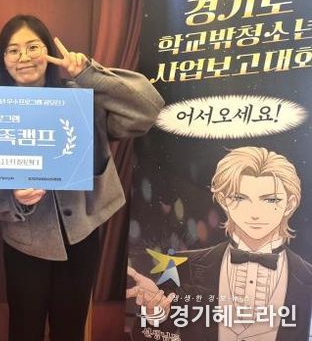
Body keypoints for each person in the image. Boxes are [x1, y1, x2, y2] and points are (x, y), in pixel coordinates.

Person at [0, 14, 164, 341]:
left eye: (33, 47)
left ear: (48, 52)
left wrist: (88, 72)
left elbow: (148, 109)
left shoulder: (81, 96)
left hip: (82, 233)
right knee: (24, 330)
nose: (24, 57)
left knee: (70, 329)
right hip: (24, 242)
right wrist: (14, 199)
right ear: (2, 59)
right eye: (13, 50)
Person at [127, 146, 312, 341]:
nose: (255, 213)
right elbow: (144, 336)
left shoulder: (307, 277)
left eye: (270, 200)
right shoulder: (180, 265)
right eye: (240, 198)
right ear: (224, 200)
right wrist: (154, 314)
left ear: (290, 203)